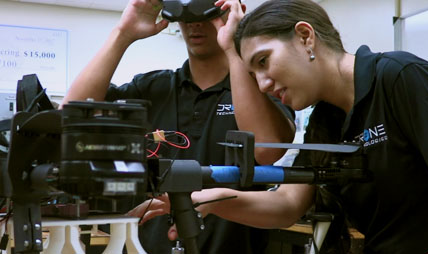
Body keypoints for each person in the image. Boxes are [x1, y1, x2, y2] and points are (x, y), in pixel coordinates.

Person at [132, 0, 428, 253]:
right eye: (252, 73)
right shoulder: (325, 121)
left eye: (264, 62)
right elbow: (287, 205)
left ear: (304, 36)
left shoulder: (401, 78)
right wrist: (205, 201)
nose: (263, 84)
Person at [62, 0, 296, 253]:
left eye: (205, 13)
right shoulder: (152, 89)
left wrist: (234, 45)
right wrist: (123, 34)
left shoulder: (261, 88)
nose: (195, 24)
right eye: (186, 16)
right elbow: (70, 117)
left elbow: (268, 151)